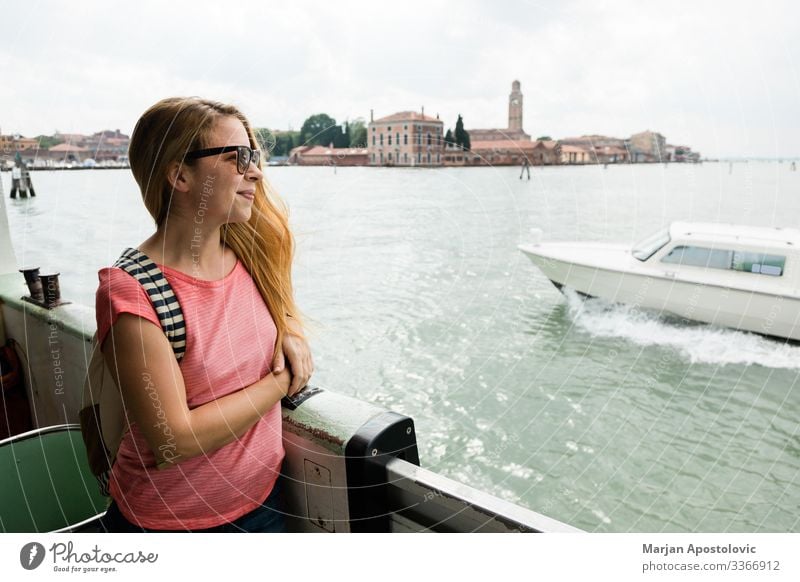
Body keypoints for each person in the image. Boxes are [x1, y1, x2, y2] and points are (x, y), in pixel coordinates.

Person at [96, 97, 313, 532]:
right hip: (171, 525)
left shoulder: (252, 256)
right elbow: (172, 440)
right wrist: (283, 382)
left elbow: (275, 312)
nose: (255, 171)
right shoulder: (131, 292)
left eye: (253, 157)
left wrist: (289, 330)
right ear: (179, 174)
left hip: (266, 502)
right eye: (237, 158)